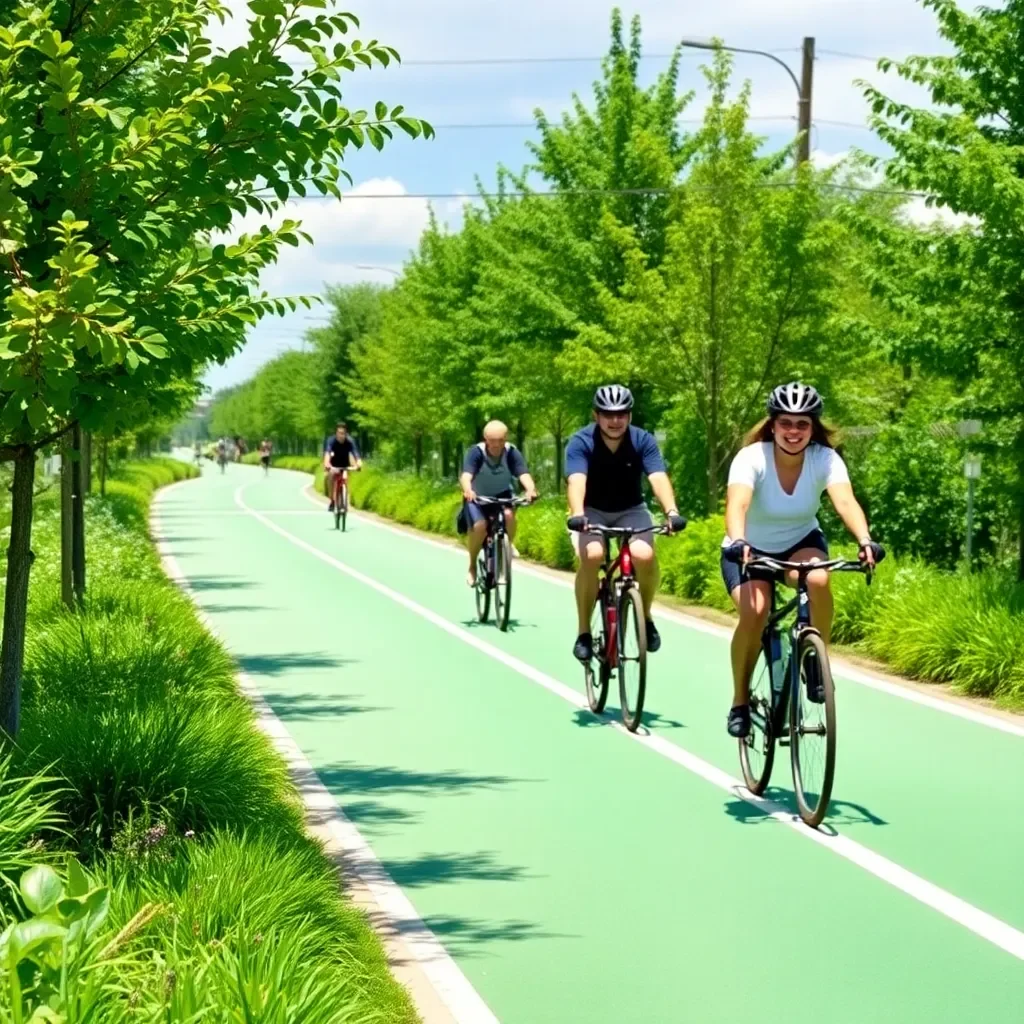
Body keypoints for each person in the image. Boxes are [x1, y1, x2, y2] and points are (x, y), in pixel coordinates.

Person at [721, 381, 885, 739]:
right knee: (756, 610)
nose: (793, 432)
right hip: (748, 548)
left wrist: (865, 540)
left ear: (813, 428)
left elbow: (845, 502)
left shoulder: (824, 459)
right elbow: (738, 504)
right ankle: (739, 702)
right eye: (786, 423)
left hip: (800, 542)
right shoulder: (751, 458)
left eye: (802, 424)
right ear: (773, 425)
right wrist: (739, 540)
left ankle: (815, 660)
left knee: (819, 579)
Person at [565, 385, 686, 662]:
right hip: (591, 511)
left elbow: (657, 477)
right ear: (596, 415)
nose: (615, 420)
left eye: (621, 414)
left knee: (644, 555)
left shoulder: (643, 440)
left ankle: (645, 616)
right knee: (592, 555)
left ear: (629, 416)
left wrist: (671, 511)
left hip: (631, 509)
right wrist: (578, 513)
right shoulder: (581, 442)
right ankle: (584, 632)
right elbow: (576, 480)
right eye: (608, 414)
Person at [460, 421, 538, 586]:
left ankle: (506, 545)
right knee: (480, 527)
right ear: (485, 439)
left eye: (500, 440)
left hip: (502, 494)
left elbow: (523, 473)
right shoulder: (476, 453)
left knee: (509, 516)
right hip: (477, 497)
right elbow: (466, 475)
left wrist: (530, 489)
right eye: (492, 440)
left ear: (506, 438)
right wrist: (468, 490)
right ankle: (472, 565)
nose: (496, 445)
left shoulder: (511, 452)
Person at [323, 422, 362, 511]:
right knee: (330, 476)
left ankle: (345, 499)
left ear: (346, 434)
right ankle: (332, 500)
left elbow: (356, 453)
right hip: (333, 465)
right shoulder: (331, 441)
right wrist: (327, 464)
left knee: (345, 478)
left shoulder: (350, 441)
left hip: (345, 464)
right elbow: (327, 453)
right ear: (336, 433)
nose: (341, 436)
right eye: (339, 433)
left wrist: (359, 463)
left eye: (343, 433)